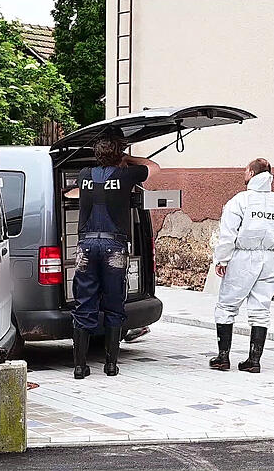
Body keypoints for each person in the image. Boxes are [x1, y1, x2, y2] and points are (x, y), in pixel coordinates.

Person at [70, 134, 160, 380]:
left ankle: (80, 367)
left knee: (84, 302)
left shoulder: (84, 175)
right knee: (114, 302)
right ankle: (111, 365)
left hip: (86, 245)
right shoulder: (126, 175)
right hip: (114, 247)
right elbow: (154, 167)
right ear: (118, 155)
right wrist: (127, 158)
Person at [209, 158, 274, 373]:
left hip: (243, 258)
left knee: (226, 306)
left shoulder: (240, 201)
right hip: (271, 259)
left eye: (246, 170)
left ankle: (223, 358)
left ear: (251, 173)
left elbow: (227, 235)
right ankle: (254, 361)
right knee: (261, 308)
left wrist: (221, 259)